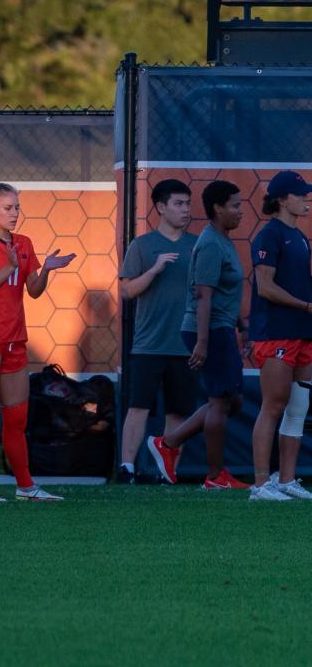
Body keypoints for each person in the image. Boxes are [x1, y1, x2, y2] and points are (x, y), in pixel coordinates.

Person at [0, 182, 74, 502]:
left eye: (17, 208)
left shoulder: (23, 243)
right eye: (8, 208)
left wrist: (47, 269)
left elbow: (33, 290)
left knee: (17, 418)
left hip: (14, 340)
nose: (14, 214)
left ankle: (26, 487)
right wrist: (8, 266)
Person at [152, 180, 247, 490]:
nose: (240, 211)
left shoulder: (223, 240)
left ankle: (169, 442)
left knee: (231, 403)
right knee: (220, 403)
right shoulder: (209, 244)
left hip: (221, 328)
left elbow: (223, 293)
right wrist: (203, 343)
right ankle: (216, 476)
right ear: (218, 209)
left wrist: (240, 325)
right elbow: (203, 296)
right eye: (234, 205)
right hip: (207, 331)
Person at [116, 179, 199, 484]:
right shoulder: (142, 245)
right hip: (149, 344)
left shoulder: (197, 245)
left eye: (188, 204)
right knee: (139, 406)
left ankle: (169, 469)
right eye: (179, 204)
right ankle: (126, 467)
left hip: (187, 343)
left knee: (179, 411)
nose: (186, 210)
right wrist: (154, 270)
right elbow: (126, 291)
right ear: (161, 207)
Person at [238, 170, 312, 501]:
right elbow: (265, 287)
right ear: (282, 200)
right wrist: (306, 306)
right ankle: (260, 484)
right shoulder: (270, 235)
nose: (306, 198)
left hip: (302, 334)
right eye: (300, 194)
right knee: (274, 405)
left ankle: (286, 480)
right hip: (275, 333)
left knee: (298, 405)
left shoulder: (300, 237)